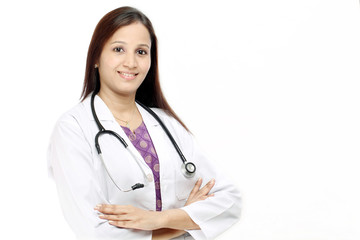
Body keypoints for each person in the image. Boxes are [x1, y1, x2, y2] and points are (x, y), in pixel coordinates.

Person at [47, 6, 241, 240]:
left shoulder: (168, 124)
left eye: (141, 52)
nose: (131, 62)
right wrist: (184, 221)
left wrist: (159, 219)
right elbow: (94, 231)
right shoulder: (73, 128)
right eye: (119, 49)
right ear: (96, 57)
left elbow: (229, 201)